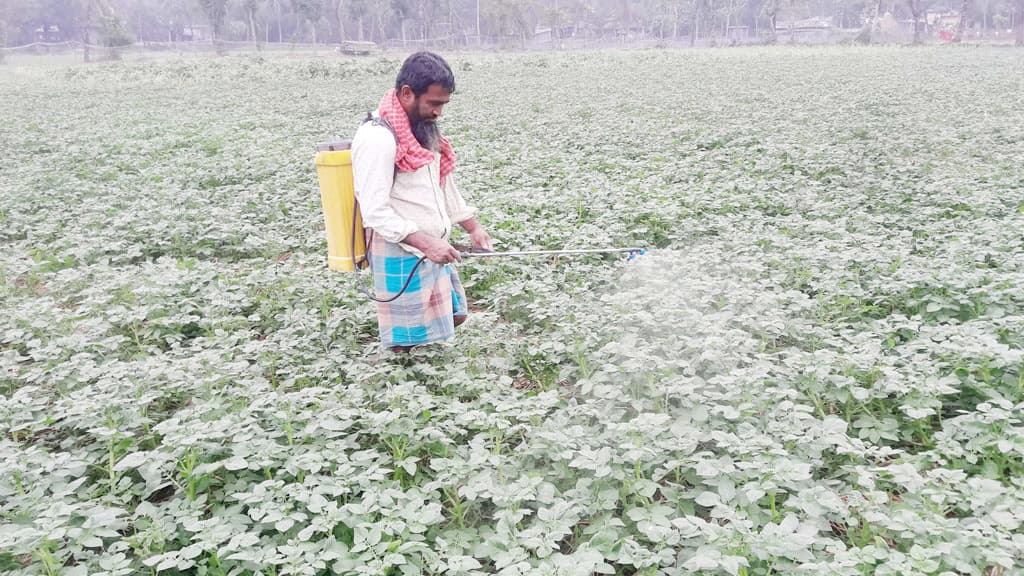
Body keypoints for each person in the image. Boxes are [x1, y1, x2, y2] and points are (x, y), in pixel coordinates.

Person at [351, 51, 492, 352]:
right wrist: (426, 243)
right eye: (434, 103)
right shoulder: (377, 138)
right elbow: (374, 211)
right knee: (407, 343)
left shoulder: (422, 128)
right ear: (406, 94)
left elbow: (442, 183)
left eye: (444, 104)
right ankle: (399, 390)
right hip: (400, 250)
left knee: (453, 317)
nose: (439, 112)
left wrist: (472, 227)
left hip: (431, 250)